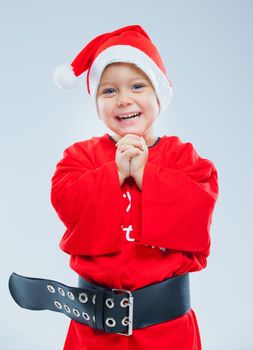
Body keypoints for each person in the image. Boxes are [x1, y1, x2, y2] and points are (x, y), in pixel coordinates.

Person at [9, 24, 219, 350]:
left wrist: (148, 174)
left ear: (159, 93)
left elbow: (198, 211)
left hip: (168, 330)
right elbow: (68, 203)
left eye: (137, 86)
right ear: (96, 103)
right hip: (92, 331)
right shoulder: (79, 157)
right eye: (109, 91)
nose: (123, 99)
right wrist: (115, 172)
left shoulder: (185, 157)